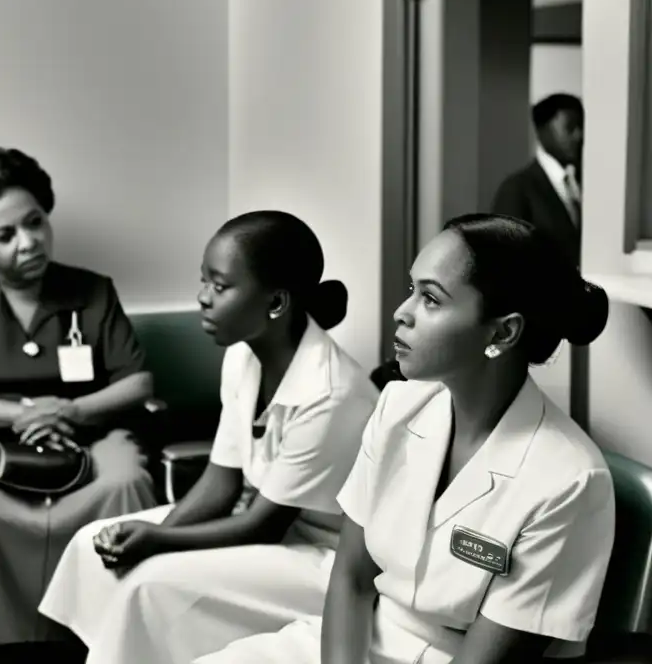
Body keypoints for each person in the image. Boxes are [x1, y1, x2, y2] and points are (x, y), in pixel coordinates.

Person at [197, 213, 615, 664]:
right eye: (411, 290)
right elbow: (352, 579)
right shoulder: (397, 406)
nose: (403, 312)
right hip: (362, 640)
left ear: (502, 332)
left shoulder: (568, 481)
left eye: (431, 299)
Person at [38, 211, 379, 664]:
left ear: (275, 303)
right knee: (93, 542)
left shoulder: (333, 393)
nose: (202, 299)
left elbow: (263, 524)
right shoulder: (242, 358)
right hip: (270, 527)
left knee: (150, 581)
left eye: (220, 286)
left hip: (328, 560)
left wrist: (157, 541)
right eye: (204, 282)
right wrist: (149, 533)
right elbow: (221, 483)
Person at [0, 148, 159, 649]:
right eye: (5, 235)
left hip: (84, 432)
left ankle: (120, 642)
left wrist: (70, 410)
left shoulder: (92, 290)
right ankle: (10, 650)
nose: (29, 242)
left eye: (35, 223)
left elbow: (137, 382)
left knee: (126, 484)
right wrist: (21, 413)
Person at [492, 93, 585, 266]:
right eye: (570, 128)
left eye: (581, 127)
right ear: (542, 131)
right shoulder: (516, 189)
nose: (579, 136)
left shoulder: (583, 182)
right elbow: (504, 262)